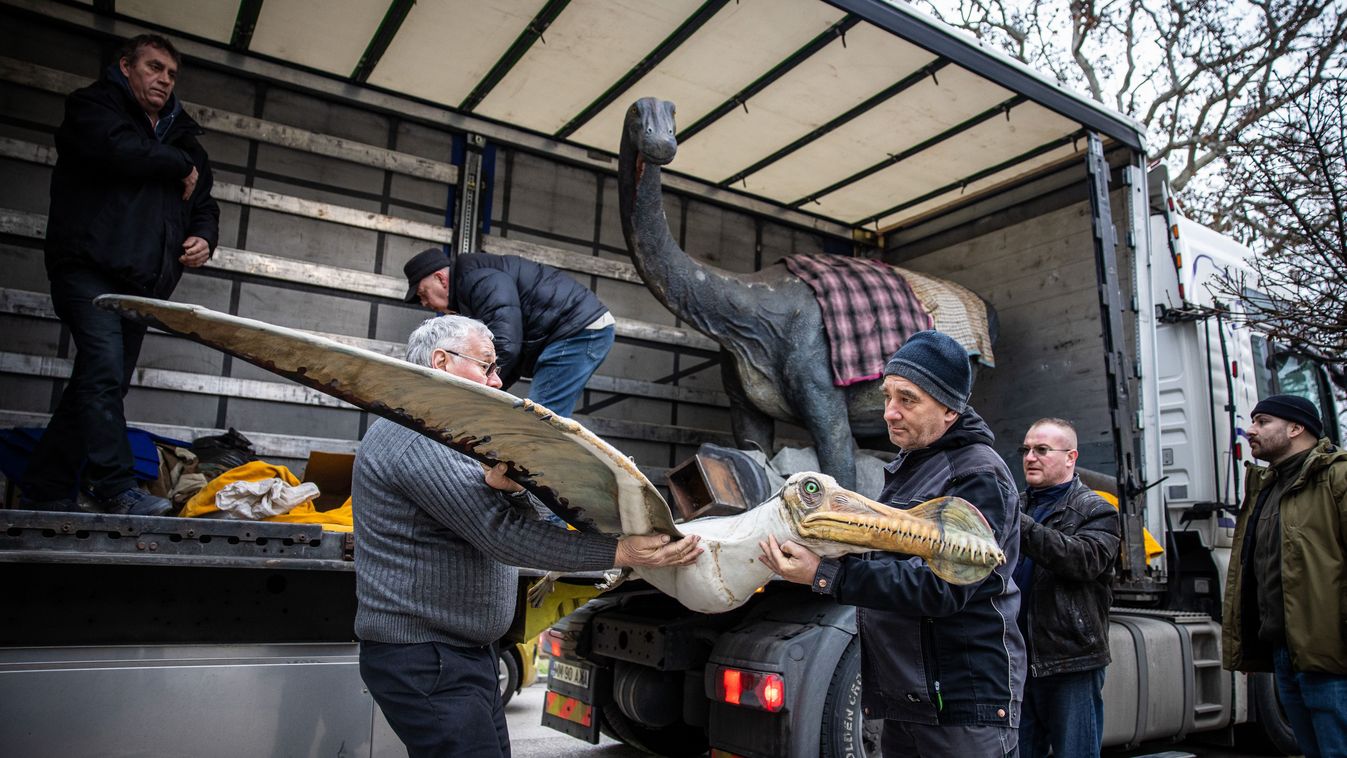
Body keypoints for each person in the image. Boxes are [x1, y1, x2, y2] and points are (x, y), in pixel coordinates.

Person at [353, 314, 701, 758]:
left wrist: (515, 491)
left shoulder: (451, 436)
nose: (497, 382)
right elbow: (504, 536)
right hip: (426, 658)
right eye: (486, 366)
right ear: (441, 361)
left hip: (462, 654)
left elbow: (519, 511)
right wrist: (621, 551)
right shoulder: (414, 437)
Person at [758, 329, 1025, 757]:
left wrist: (826, 575)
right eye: (887, 397)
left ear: (950, 409)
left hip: (959, 703)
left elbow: (943, 588)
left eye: (908, 399)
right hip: (911, 698)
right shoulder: (913, 466)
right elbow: (886, 552)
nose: (890, 413)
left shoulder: (976, 475)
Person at [21, 34, 219, 516]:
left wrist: (204, 238)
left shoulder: (183, 136)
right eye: (154, 68)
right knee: (104, 373)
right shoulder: (93, 108)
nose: (164, 80)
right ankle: (112, 485)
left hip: (142, 285)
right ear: (126, 66)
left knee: (100, 379)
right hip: (87, 269)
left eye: (171, 74)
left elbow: (205, 202)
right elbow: (118, 150)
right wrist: (178, 163)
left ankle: (46, 484)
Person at [1222, 394, 1347, 758]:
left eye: (1262, 421)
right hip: (1286, 653)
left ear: (1295, 428)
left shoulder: (1337, 476)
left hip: (1331, 652)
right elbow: (1256, 571)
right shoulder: (1267, 487)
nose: (1250, 430)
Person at [1012, 418, 1120, 758]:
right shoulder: (1016, 505)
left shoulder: (1098, 510)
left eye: (1042, 450)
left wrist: (1020, 526)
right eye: (1026, 449)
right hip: (1017, 660)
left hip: (1069, 662)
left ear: (1070, 457)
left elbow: (1082, 559)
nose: (1030, 457)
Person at [402, 247, 614, 417]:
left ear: (441, 279)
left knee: (541, 419)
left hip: (577, 329)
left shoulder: (478, 279)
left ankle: (530, 468)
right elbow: (507, 353)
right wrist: (488, 392)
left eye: (423, 293)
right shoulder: (471, 282)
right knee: (542, 415)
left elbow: (506, 345)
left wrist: (475, 396)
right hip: (573, 329)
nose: (424, 303)